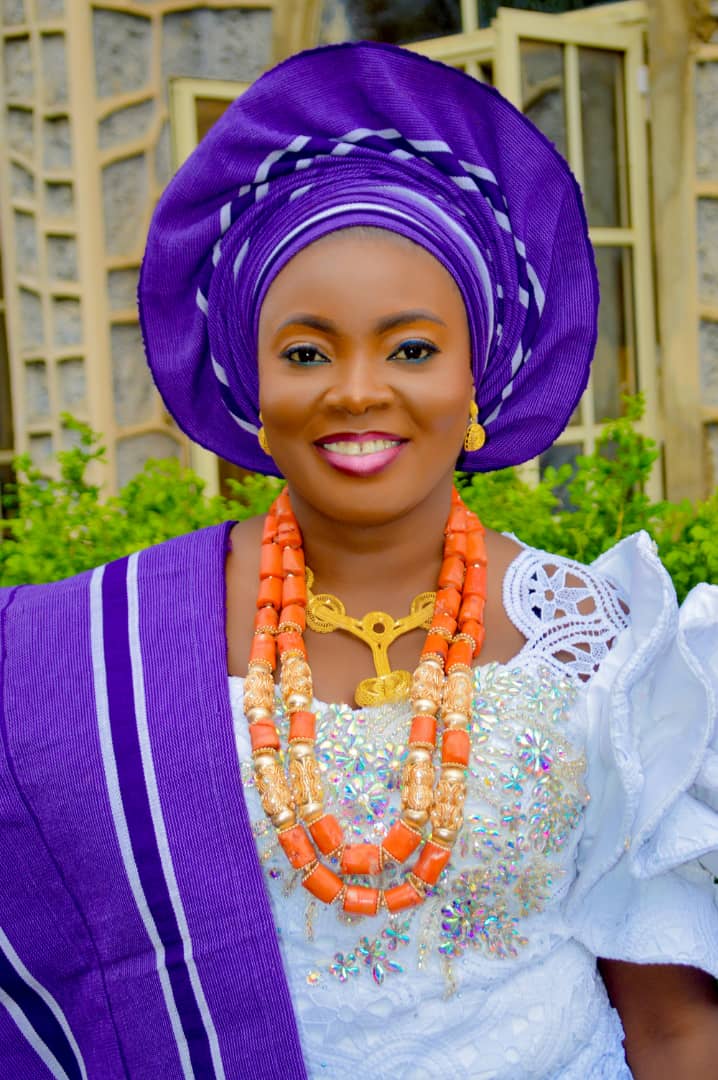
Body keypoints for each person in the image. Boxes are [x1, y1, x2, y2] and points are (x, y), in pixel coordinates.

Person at [1, 41, 717, 1080]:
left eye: (412, 348)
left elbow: (672, 1021)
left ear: (481, 376)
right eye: (305, 352)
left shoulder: (600, 639)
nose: (356, 389)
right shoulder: (110, 654)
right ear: (252, 388)